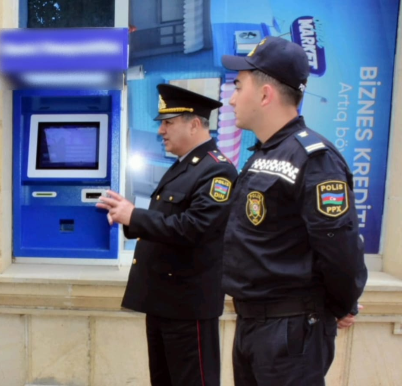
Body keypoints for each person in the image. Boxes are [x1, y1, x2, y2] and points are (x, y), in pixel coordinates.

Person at [221, 36, 368, 385]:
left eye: (239, 87)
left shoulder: (315, 159)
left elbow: (339, 246)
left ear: (265, 94)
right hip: (254, 324)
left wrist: (343, 303)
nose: (231, 98)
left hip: (289, 331)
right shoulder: (264, 155)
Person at [97, 84, 237, 386]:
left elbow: (194, 227)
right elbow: (166, 221)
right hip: (163, 303)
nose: (161, 131)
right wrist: (128, 215)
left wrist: (134, 215)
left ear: (195, 123)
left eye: (168, 123)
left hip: (189, 308)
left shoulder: (218, 171)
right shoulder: (183, 167)